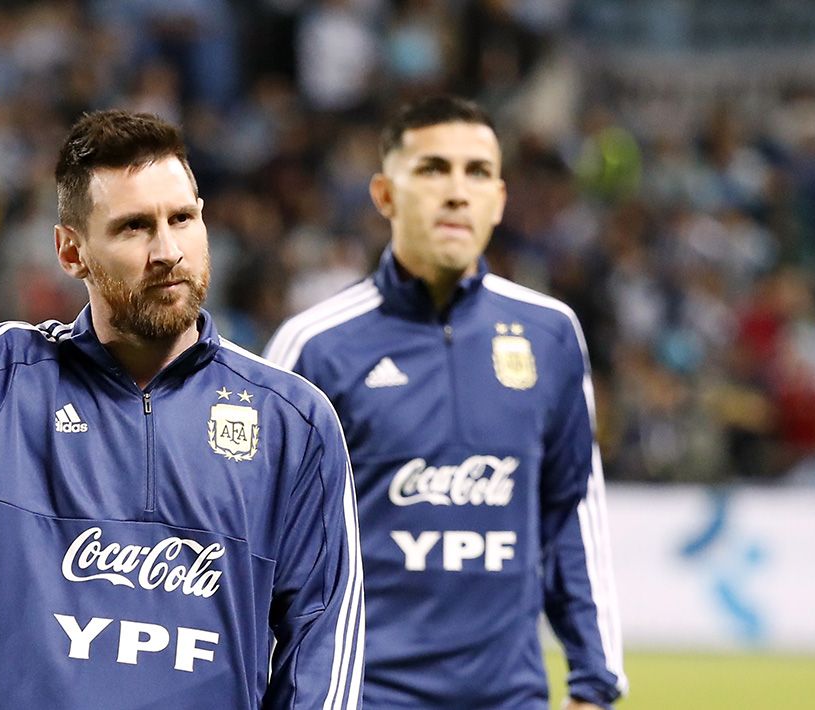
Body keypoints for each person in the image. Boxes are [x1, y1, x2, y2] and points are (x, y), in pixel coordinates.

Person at [0, 26, 364, 709]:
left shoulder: (294, 421)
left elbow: (322, 647)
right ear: (71, 252)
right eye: (134, 227)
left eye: (183, 219)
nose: (167, 248)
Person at [265, 96, 626, 709]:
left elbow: (571, 512)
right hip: (366, 697)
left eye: (477, 172)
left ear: (500, 199)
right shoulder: (315, 347)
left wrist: (595, 682)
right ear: (384, 194)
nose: (458, 192)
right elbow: (263, 544)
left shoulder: (551, 333)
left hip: (510, 698)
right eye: (433, 169)